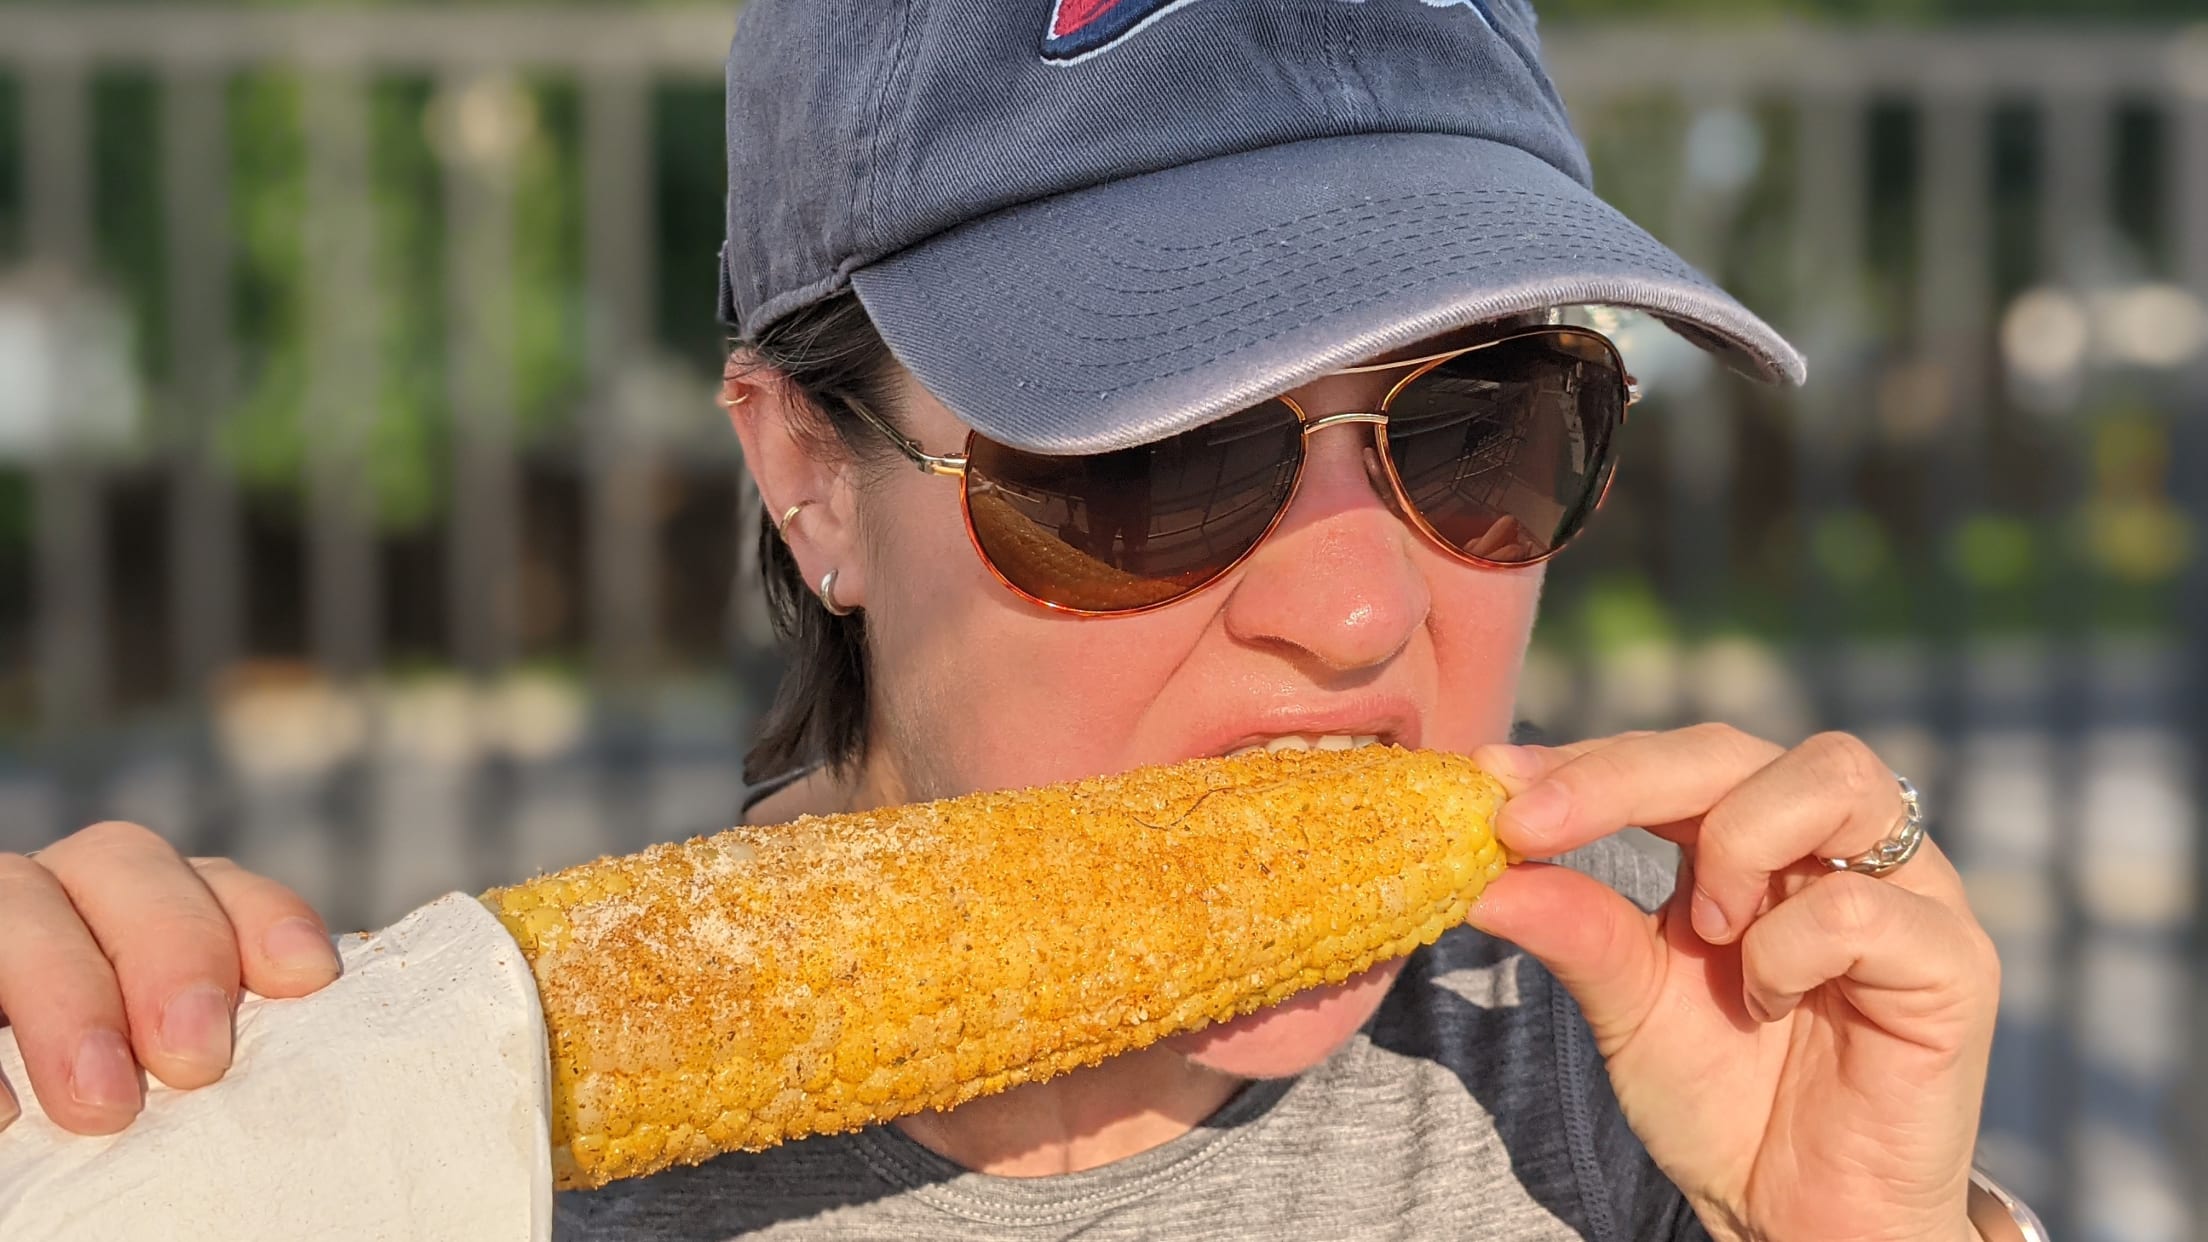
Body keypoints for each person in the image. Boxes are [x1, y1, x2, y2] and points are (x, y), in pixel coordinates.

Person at [0, 1, 2038, 1238]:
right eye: (1150, 458)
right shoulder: (422, 1172)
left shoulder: (1664, 1086)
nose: (1354, 608)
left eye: (1484, 422)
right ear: (807, 472)